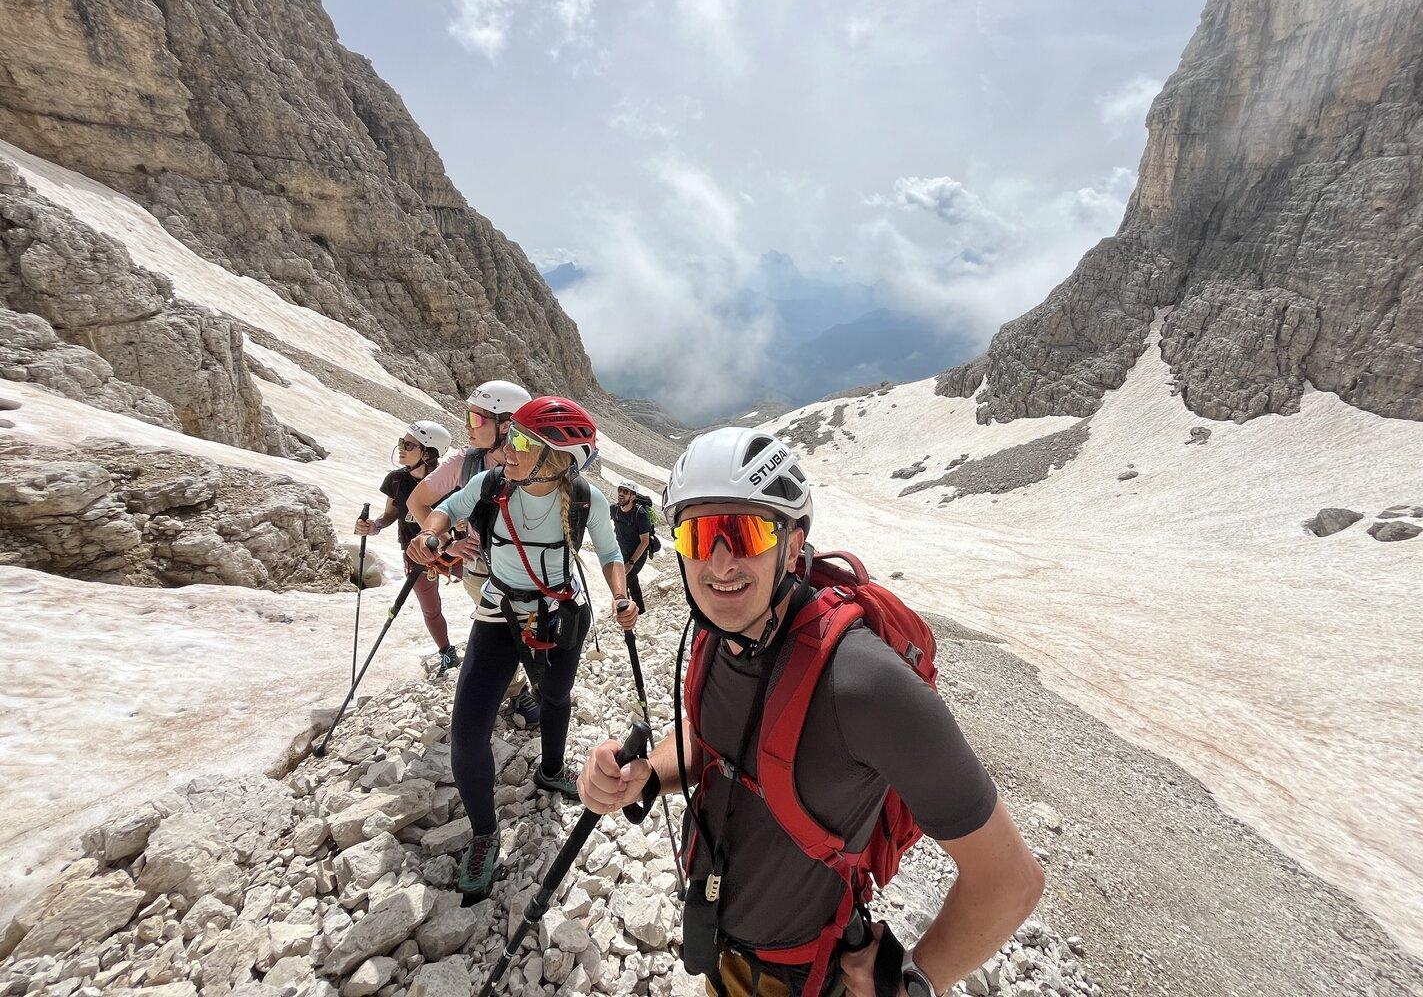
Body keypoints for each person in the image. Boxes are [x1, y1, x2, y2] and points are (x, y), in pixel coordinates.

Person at [578, 428, 1044, 997]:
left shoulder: (866, 683)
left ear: (793, 545)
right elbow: (714, 745)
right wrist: (645, 773)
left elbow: (1011, 879)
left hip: (805, 976)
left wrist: (913, 984)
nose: (720, 561)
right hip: (723, 949)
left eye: (743, 531)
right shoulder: (716, 638)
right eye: (699, 535)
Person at [409, 395, 640, 900]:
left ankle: (552, 769)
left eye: (520, 441)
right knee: (468, 729)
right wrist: (429, 538)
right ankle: (485, 833)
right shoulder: (492, 484)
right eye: (509, 436)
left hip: (561, 612)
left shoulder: (585, 499)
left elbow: (610, 551)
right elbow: (444, 512)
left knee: (556, 696)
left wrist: (622, 596)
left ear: (557, 456)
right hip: (500, 612)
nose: (506, 450)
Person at [407, 379, 543, 724]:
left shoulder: (535, 459)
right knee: (503, 636)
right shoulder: (463, 463)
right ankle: (517, 693)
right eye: (469, 417)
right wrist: (446, 540)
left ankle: (537, 686)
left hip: (532, 571)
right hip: (483, 572)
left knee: (532, 634)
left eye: (477, 419)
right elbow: (418, 501)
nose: (468, 427)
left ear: (507, 425)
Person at [355, 421, 461, 670]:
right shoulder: (396, 480)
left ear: (428, 452)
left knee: (482, 590)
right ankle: (446, 652)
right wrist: (375, 525)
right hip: (416, 552)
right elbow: (390, 514)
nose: (400, 449)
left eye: (408, 445)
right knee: (430, 608)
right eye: (402, 443)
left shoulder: (448, 481)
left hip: (451, 549)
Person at [610, 479, 655, 616]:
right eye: (620, 490)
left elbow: (645, 541)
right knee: (632, 581)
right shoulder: (614, 510)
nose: (621, 494)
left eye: (626, 491)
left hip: (638, 555)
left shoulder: (639, 514)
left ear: (633, 496)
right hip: (622, 553)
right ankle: (640, 610)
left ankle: (625, 613)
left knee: (623, 581)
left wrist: (631, 562)